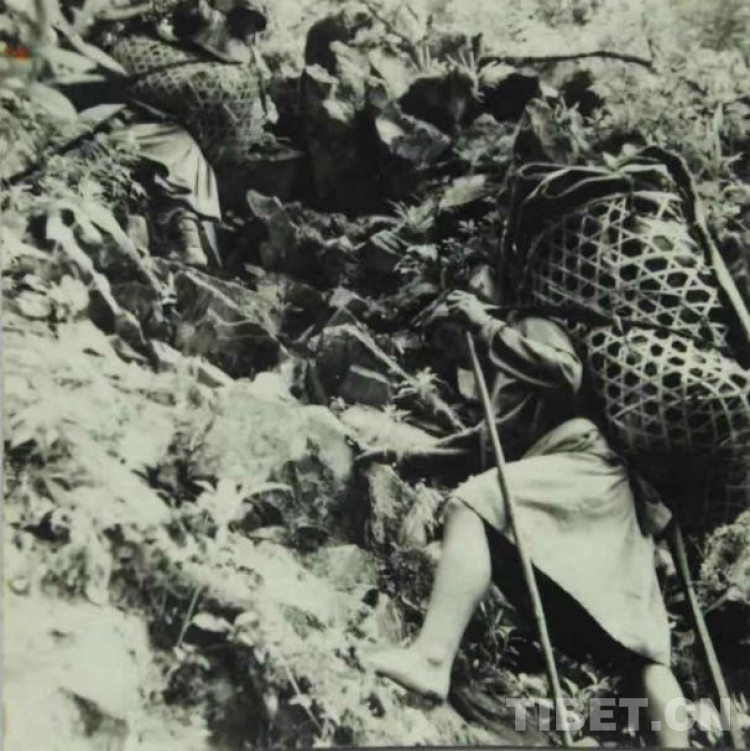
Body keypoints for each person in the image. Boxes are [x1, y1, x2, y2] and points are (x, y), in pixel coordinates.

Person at [367, 290, 689, 747]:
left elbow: (566, 373)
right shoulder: (501, 378)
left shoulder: (525, 325)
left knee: (471, 505)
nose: (453, 353)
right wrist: (404, 456)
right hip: (593, 493)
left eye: (449, 337)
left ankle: (431, 659)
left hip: (584, 470)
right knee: (639, 649)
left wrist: (485, 326)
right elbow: (483, 443)